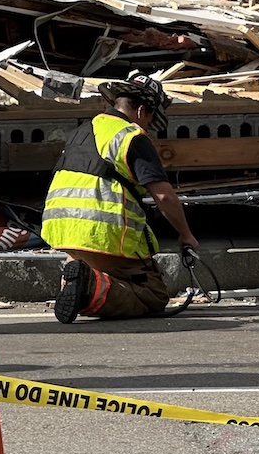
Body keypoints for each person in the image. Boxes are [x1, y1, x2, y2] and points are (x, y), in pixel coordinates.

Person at [41, 72, 199, 322]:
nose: (148, 126)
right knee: (153, 296)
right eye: (150, 118)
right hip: (104, 235)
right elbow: (163, 196)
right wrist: (186, 234)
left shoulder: (82, 131)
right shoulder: (131, 136)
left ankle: (81, 282)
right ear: (142, 111)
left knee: (96, 271)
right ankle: (88, 288)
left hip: (62, 231)